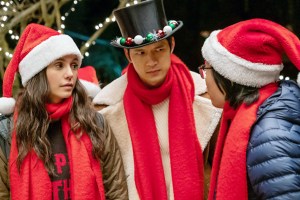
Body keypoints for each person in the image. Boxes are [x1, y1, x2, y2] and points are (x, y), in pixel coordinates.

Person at [92, 0, 222, 199]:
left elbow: (221, 170)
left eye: (159, 49)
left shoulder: (205, 97)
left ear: (171, 46)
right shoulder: (106, 109)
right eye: (141, 53)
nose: (151, 61)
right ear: (128, 55)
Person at [0, 23, 128, 200]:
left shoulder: (94, 123)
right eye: (59, 65)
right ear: (38, 72)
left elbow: (116, 189)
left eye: (74, 65)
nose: (70, 73)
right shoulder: (8, 131)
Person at [201, 18, 300, 200]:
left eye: (206, 69)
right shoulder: (260, 116)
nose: (203, 77)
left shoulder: (269, 133)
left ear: (229, 77)